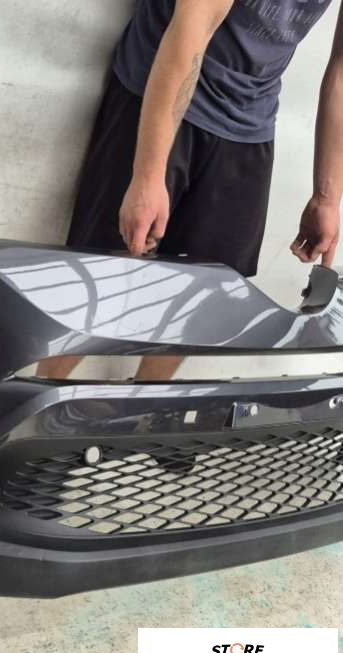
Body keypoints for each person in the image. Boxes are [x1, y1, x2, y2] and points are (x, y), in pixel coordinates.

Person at [39, 0, 342, 380]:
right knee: (110, 272)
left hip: (249, 118)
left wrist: (326, 198)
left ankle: (144, 402)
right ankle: (44, 393)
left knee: (208, 291)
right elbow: (193, 24)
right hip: (161, 86)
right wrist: (149, 174)